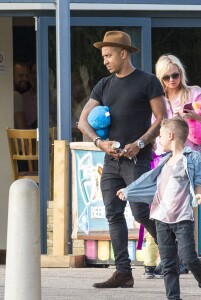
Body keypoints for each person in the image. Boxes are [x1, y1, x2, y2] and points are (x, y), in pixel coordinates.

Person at [77, 30, 167, 288]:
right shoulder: (104, 85)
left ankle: (174, 252)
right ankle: (123, 273)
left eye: (109, 55)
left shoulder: (147, 81)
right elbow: (83, 120)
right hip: (111, 160)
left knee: (140, 212)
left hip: (138, 159)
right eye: (103, 55)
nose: (104, 60)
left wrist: (140, 143)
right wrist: (99, 142)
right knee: (113, 215)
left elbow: (161, 119)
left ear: (123, 54)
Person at [117, 117, 201, 300]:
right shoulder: (163, 162)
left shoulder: (191, 157)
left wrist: (198, 195)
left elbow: (198, 180)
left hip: (182, 218)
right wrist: (129, 191)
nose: (158, 140)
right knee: (168, 263)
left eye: (161, 136)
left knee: (188, 257)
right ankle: (173, 298)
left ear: (171, 136)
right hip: (161, 218)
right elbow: (147, 182)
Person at [143, 54, 201, 279]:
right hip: (164, 159)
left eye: (175, 74)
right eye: (166, 77)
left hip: (191, 158)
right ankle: (170, 259)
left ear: (181, 73)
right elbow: (153, 129)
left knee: (185, 208)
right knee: (165, 208)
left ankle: (184, 259)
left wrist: (195, 116)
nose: (172, 80)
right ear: (160, 78)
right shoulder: (157, 98)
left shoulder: (194, 93)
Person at [13, 61, 30, 129]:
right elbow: (22, 131)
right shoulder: (16, 96)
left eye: (27, 76)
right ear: (12, 76)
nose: (25, 79)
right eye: (21, 75)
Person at [22, 61, 38, 128]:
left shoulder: (53, 97)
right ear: (30, 76)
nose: (36, 76)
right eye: (34, 73)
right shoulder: (23, 98)